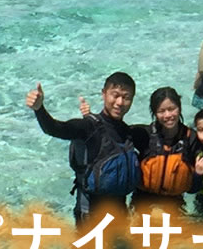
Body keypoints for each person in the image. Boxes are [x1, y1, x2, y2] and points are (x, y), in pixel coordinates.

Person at [25, 74, 141, 222]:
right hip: (90, 218)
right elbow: (55, 128)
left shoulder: (127, 133)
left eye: (126, 97)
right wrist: (39, 109)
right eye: (115, 95)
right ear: (103, 94)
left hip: (119, 218)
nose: (120, 102)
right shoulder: (87, 127)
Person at [137, 87, 196, 203]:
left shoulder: (192, 139)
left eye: (172, 109)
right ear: (154, 113)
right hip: (143, 201)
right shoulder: (143, 135)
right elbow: (111, 131)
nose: (168, 115)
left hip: (175, 202)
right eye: (161, 111)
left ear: (180, 108)